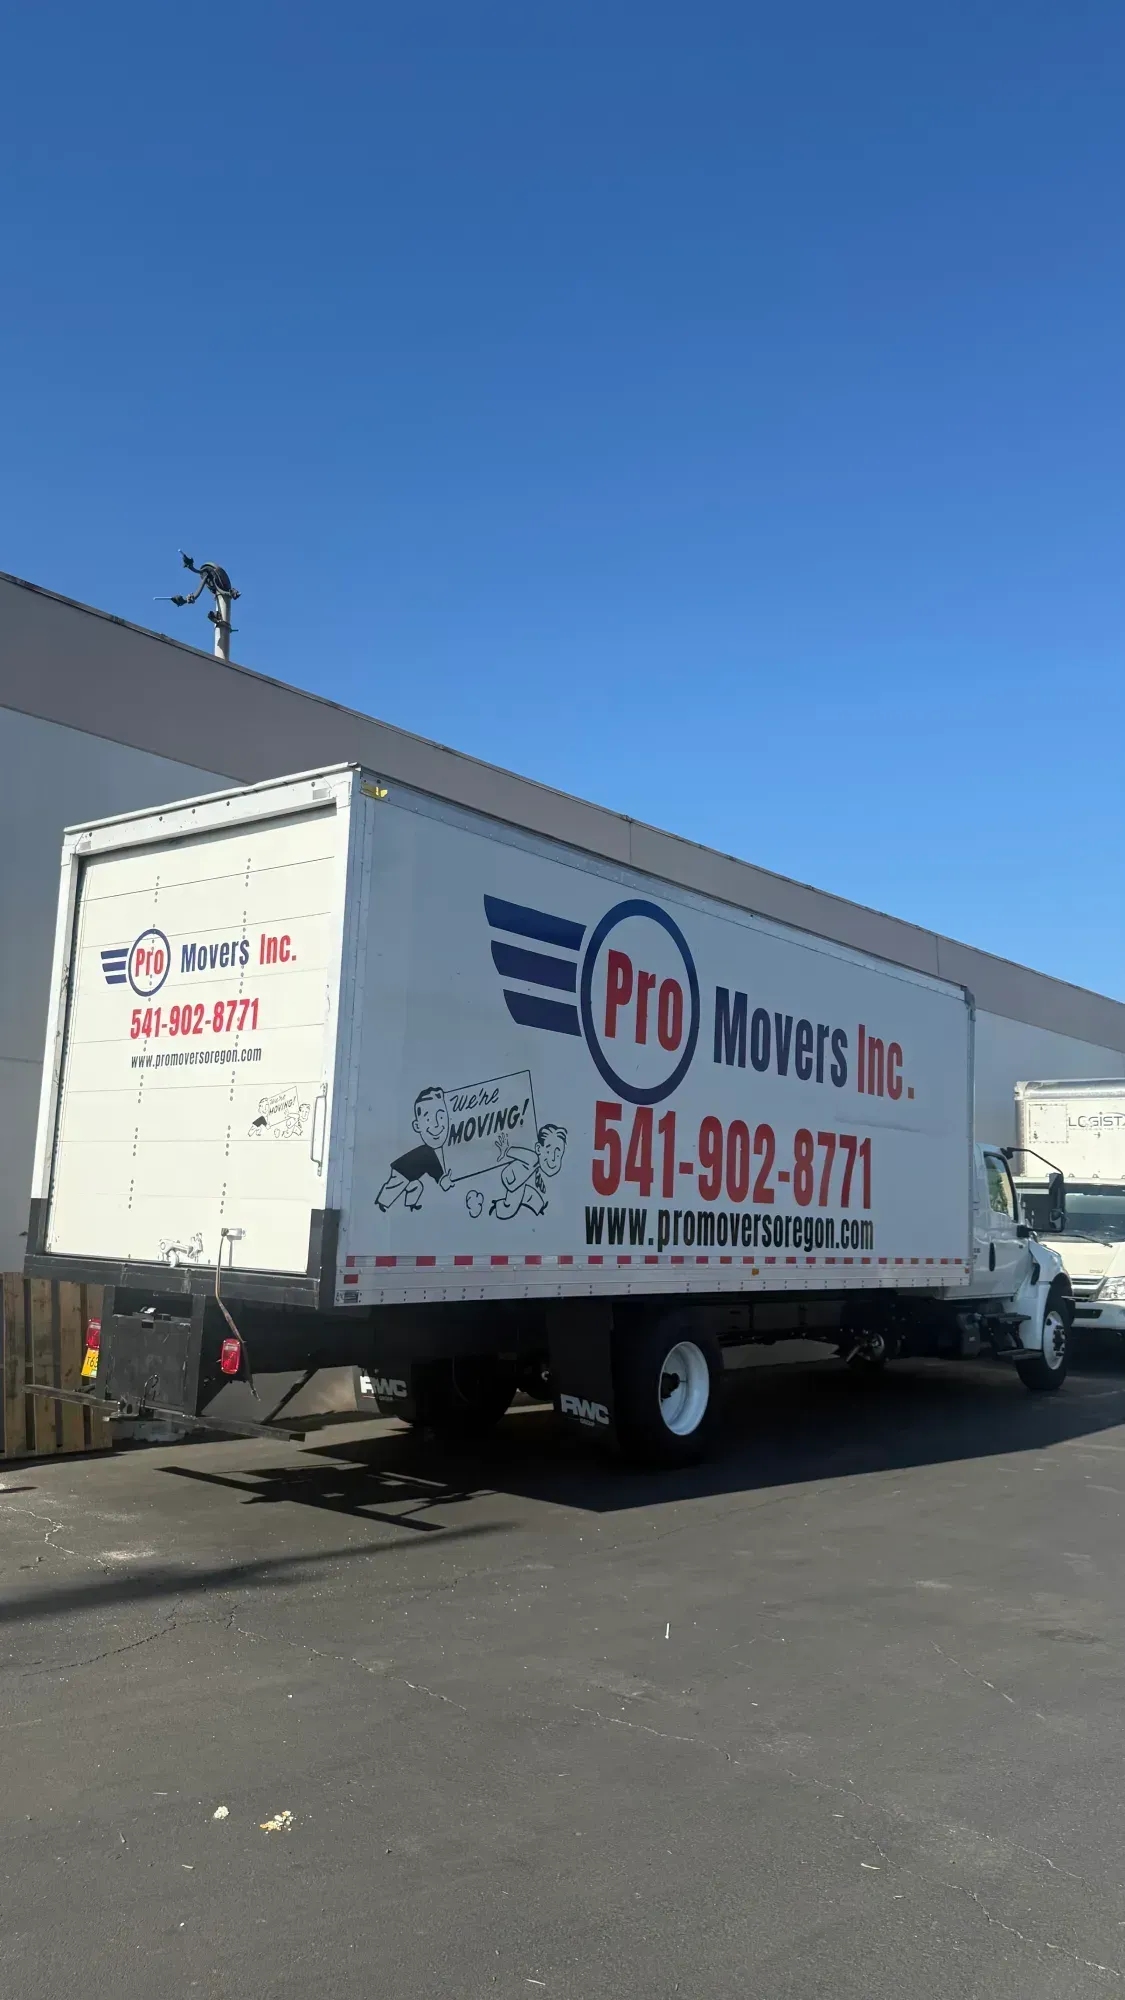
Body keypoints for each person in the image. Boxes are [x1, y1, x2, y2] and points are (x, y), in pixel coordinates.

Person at [375, 1087, 453, 1211]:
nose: (437, 1124)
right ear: (417, 1126)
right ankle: (382, 1202)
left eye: (441, 1117)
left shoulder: (430, 1151)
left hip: (411, 1175)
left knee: (416, 1186)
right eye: (428, 1119)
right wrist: (442, 1180)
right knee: (396, 1186)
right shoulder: (428, 1151)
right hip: (402, 1171)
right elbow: (434, 1169)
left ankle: (411, 1204)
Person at [490, 1123, 567, 1221]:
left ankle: (540, 1207)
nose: (553, 1158)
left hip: (519, 1183)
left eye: (558, 1154)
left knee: (530, 1196)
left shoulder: (537, 1166)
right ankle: (497, 1207)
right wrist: (506, 1151)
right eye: (548, 1151)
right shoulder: (532, 1157)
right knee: (509, 1208)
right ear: (539, 1148)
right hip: (512, 1180)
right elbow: (518, 1153)